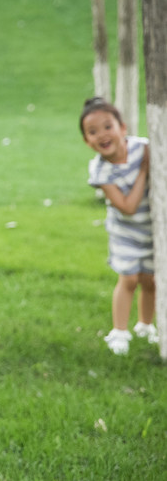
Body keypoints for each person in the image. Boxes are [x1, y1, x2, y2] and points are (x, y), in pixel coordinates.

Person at [80, 97, 157, 355]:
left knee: (151, 280)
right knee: (129, 279)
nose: (101, 135)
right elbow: (127, 207)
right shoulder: (101, 171)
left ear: (123, 128)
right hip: (125, 234)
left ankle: (145, 326)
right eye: (92, 132)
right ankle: (119, 332)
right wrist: (144, 172)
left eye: (107, 126)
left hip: (153, 231)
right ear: (86, 141)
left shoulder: (144, 147)